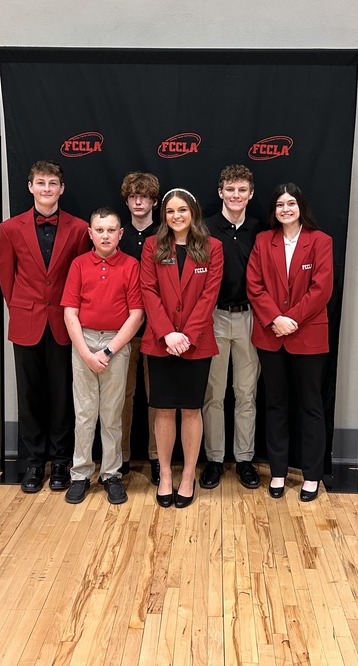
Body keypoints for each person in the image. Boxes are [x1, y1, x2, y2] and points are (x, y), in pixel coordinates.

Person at [0, 160, 90, 493]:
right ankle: (34, 462)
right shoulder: (10, 228)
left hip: (64, 322)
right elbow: (6, 277)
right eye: (41, 182)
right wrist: (22, 309)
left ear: (61, 188)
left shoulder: (79, 228)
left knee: (63, 394)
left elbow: (81, 277)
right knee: (29, 394)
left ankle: (61, 461)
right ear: (30, 187)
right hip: (27, 320)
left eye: (52, 183)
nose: (46, 188)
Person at [246, 183, 333, 502]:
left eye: (291, 203)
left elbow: (321, 289)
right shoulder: (262, 241)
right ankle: (278, 471)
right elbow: (254, 285)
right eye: (280, 204)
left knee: (311, 406)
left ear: (301, 207)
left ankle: (312, 475)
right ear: (274, 210)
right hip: (271, 336)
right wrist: (275, 319)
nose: (286, 209)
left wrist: (291, 319)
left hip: (307, 335)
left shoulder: (320, 241)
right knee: (275, 405)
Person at [140, 188, 223, 508]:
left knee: (191, 409)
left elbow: (209, 296)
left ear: (193, 212)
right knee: (162, 410)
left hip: (195, 343)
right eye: (171, 211)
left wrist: (186, 335)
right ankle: (165, 475)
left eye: (182, 210)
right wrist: (167, 334)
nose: (177, 216)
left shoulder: (212, 247)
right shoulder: (152, 246)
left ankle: (188, 476)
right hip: (161, 342)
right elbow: (148, 291)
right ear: (164, 216)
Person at [61, 207, 144, 505]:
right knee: (85, 413)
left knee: (112, 414)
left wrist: (108, 350)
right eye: (100, 230)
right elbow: (70, 313)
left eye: (111, 230)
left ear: (120, 234)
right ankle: (80, 474)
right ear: (90, 233)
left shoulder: (131, 265)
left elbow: (136, 314)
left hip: (116, 343)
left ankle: (111, 474)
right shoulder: (79, 265)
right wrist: (86, 353)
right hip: (83, 340)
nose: (105, 235)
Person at [200, 165, 264, 491]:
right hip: (214, 316)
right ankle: (214, 459)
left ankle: (244, 459)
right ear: (220, 192)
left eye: (242, 190)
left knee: (246, 393)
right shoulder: (205, 228)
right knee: (213, 393)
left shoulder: (260, 230)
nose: (235, 195)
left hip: (250, 317)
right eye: (230, 189)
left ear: (250, 194)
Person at [117, 172, 161, 483]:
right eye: (133, 196)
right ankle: (120, 458)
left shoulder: (166, 235)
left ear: (154, 201)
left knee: (157, 398)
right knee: (123, 396)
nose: (138, 202)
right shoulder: (118, 236)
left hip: (158, 330)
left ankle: (158, 458)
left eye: (143, 196)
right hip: (124, 330)